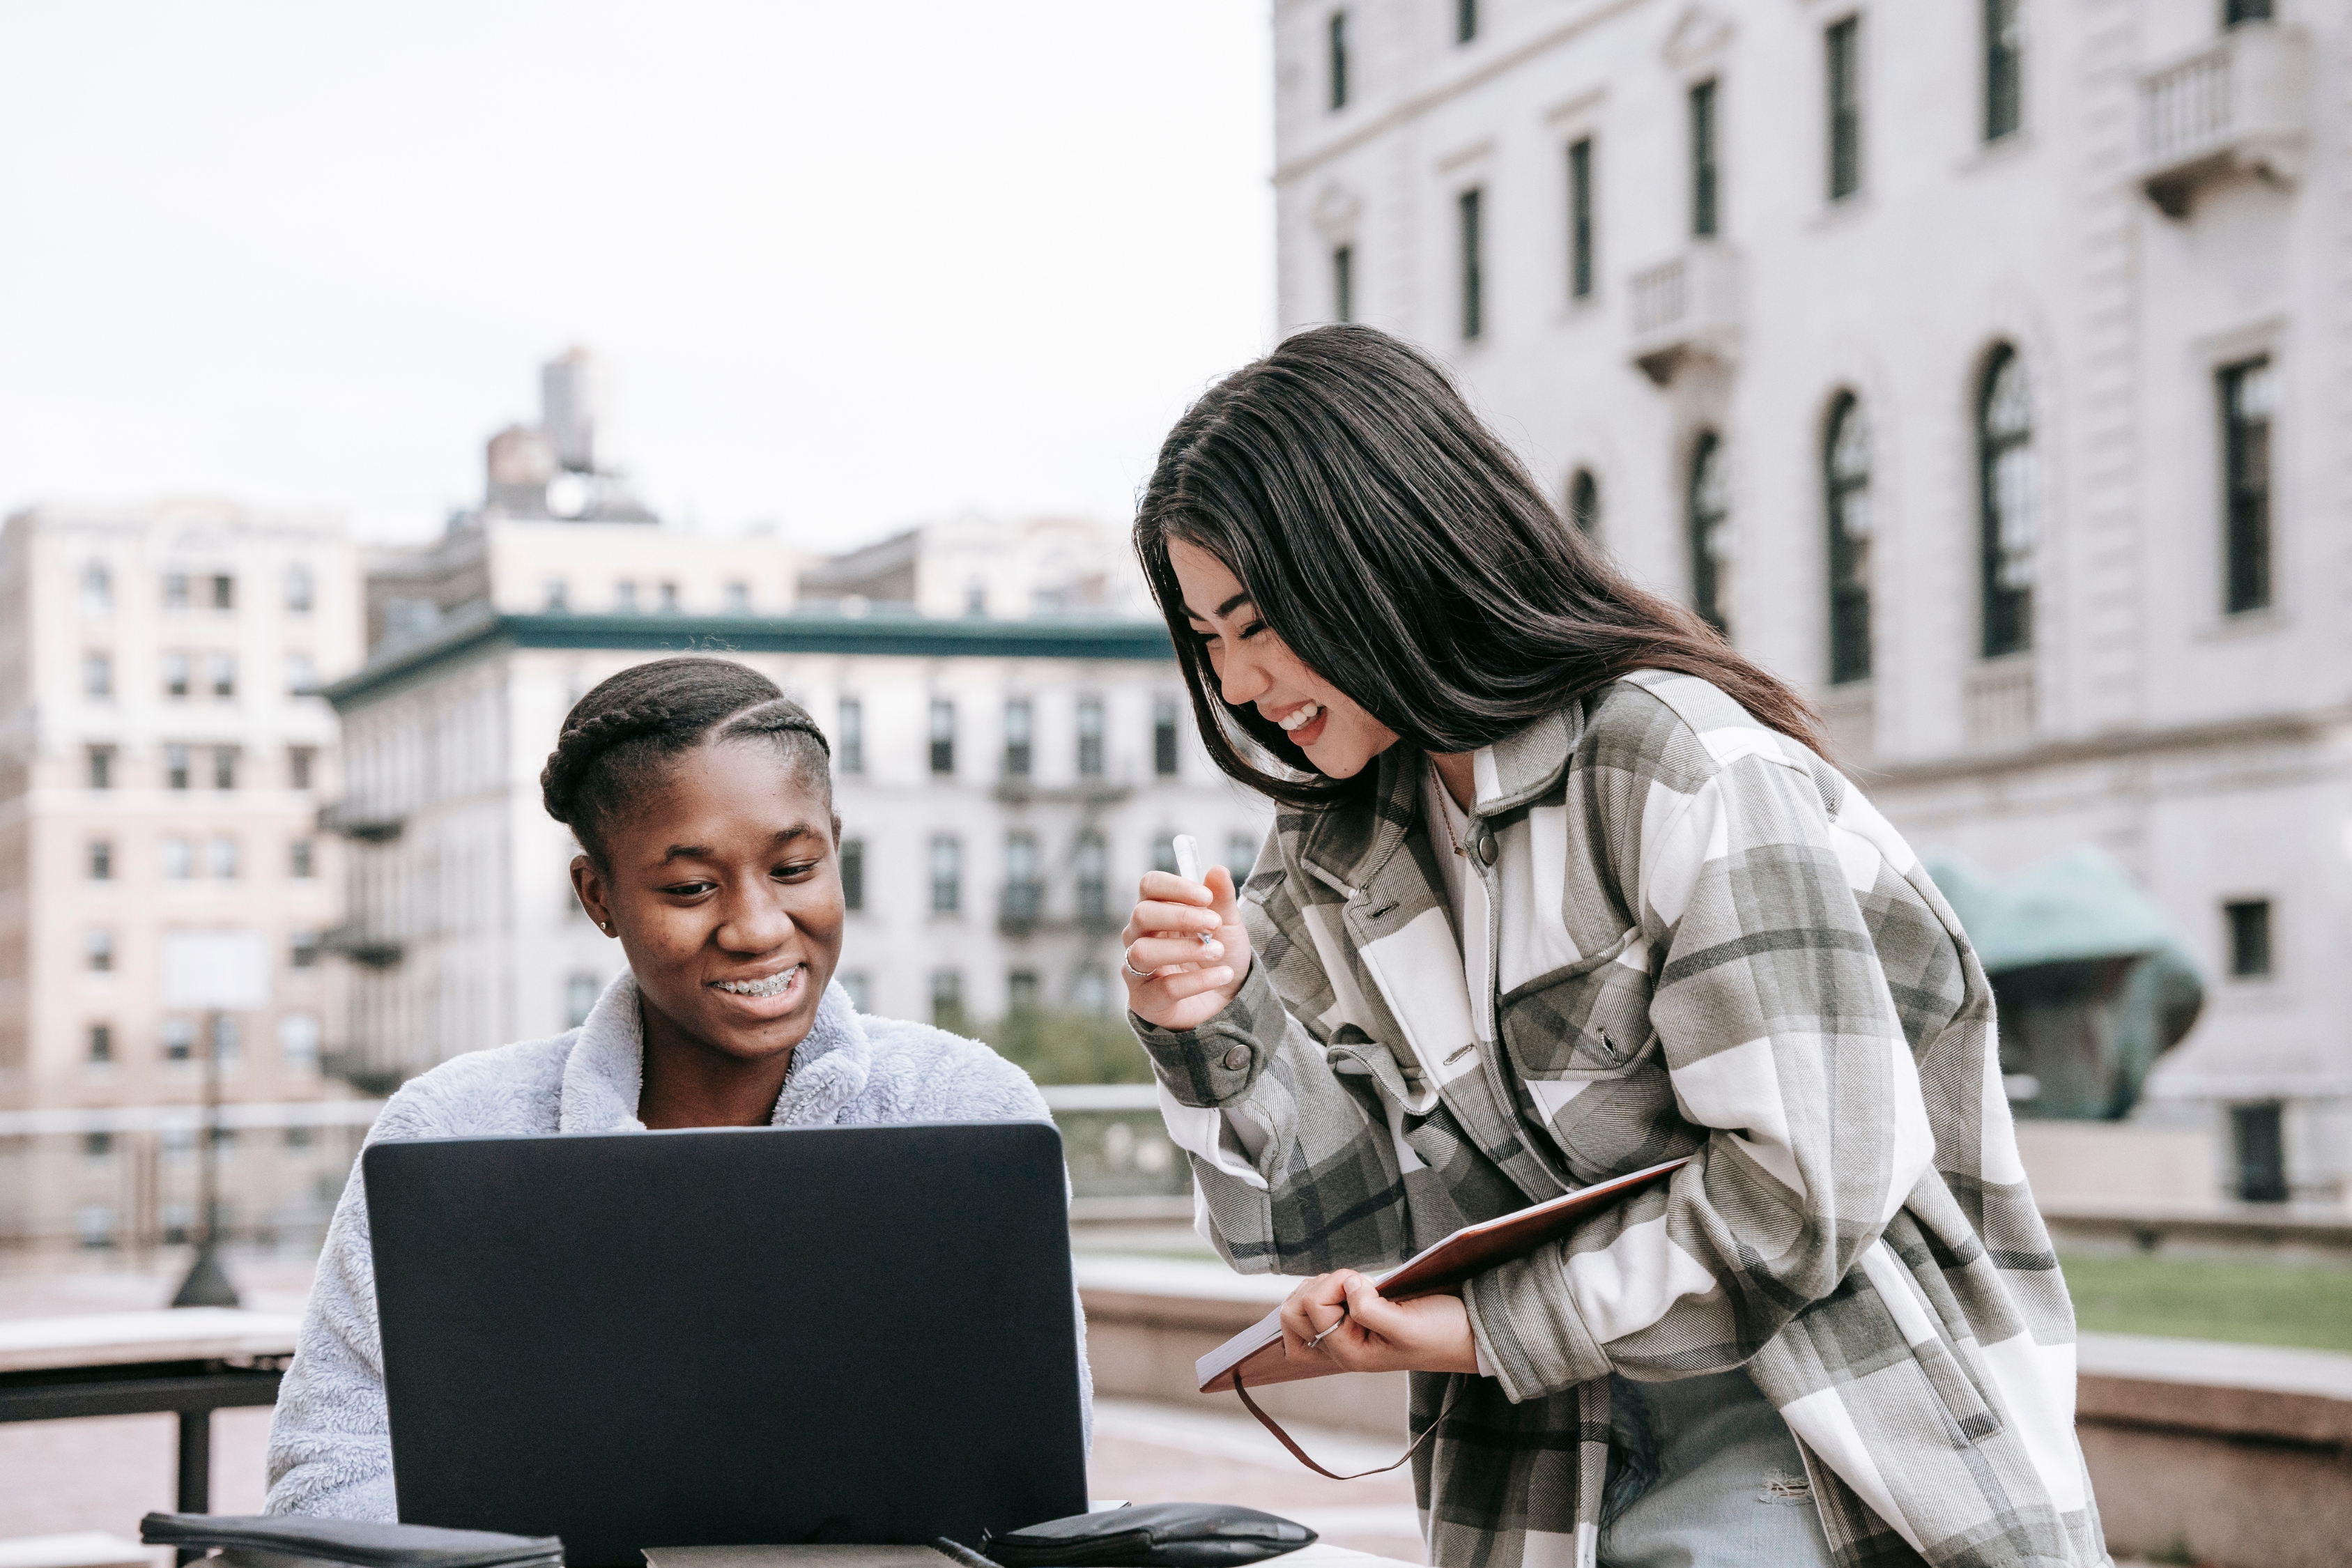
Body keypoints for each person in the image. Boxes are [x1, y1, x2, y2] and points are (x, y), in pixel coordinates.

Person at [1120, 325, 2105, 1568]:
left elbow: (1803, 1196)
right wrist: (1215, 1026)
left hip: (1824, 1444)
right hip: (1536, 1484)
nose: (1240, 681)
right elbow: (1330, 1236)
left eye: (1254, 620)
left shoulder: (1679, 767)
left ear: (1373, 556)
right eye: (1206, 638)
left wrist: (1481, 1330)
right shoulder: (1327, 851)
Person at [265, 656, 1085, 1519]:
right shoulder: (449, 1130)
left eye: (797, 868)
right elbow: (327, 1481)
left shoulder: (968, 1108)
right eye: (692, 888)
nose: (758, 927)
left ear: (836, 848)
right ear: (599, 897)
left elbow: (1031, 1477)